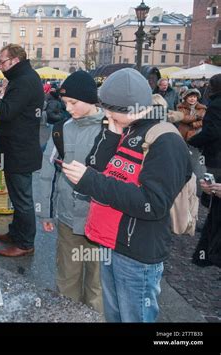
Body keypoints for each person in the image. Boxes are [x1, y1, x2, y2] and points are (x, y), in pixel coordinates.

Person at [62, 68, 192, 322]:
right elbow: (95, 165)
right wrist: (110, 137)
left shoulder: (166, 141)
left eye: (109, 109)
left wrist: (92, 181)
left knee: (135, 317)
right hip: (111, 242)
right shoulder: (122, 127)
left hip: (138, 252)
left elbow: (152, 204)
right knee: (114, 315)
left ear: (128, 108)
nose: (105, 114)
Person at [39, 71, 104, 313]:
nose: (68, 108)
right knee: (67, 281)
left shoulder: (112, 130)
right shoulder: (61, 130)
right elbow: (47, 174)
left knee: (97, 286)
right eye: (66, 103)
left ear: (91, 100)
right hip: (67, 218)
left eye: (74, 103)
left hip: (99, 222)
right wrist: (45, 213)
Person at [0, 44, 44, 257]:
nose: (0, 65)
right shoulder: (22, 78)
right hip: (15, 148)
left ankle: (25, 243)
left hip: (20, 151)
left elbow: (6, 111)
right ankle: (16, 233)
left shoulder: (24, 81)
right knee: (15, 195)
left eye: (2, 62)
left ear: (15, 61)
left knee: (22, 200)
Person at [188, 73, 221, 267]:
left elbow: (213, 131)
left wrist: (194, 140)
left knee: (213, 191)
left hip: (216, 156)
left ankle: (212, 241)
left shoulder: (216, 104)